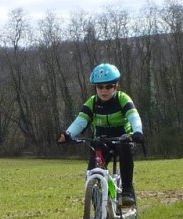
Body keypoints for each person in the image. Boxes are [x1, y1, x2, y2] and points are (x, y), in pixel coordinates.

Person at [57, 63, 144, 206]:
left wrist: (137, 132)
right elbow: (81, 121)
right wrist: (67, 134)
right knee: (92, 174)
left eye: (109, 86)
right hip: (101, 142)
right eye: (100, 87)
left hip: (123, 139)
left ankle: (127, 190)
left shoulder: (122, 99)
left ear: (116, 86)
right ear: (95, 87)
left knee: (125, 147)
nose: (104, 90)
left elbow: (134, 116)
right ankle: (99, 211)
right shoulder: (92, 103)